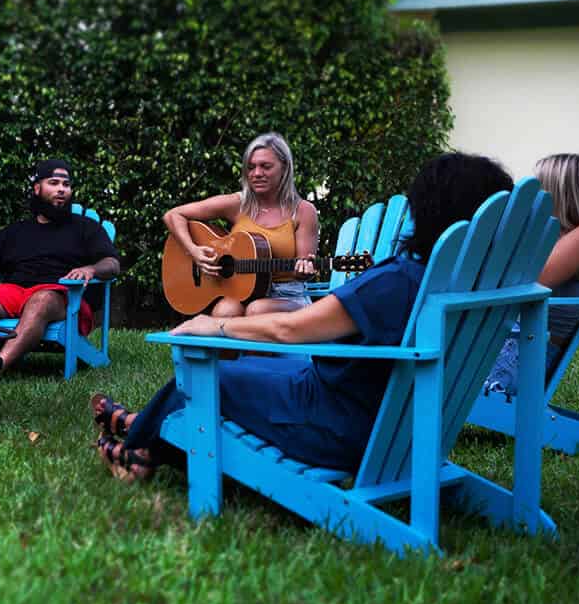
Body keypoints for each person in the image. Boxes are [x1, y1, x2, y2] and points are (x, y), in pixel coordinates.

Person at [88, 152, 514, 481]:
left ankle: (139, 453)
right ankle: (135, 423)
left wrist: (215, 325)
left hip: (334, 423)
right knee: (252, 371)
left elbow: (289, 328)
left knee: (206, 376)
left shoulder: (398, 281)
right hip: (397, 423)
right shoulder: (472, 282)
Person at [0, 159, 120, 378]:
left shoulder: (86, 228)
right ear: (37, 188)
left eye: (66, 185)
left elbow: (112, 264)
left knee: (41, 299)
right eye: (54, 183)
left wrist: (91, 270)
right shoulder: (17, 231)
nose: (61, 190)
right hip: (17, 291)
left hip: (62, 294)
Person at [483, 152, 579, 396]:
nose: (532, 198)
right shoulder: (560, 239)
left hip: (521, 359)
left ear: (558, 192)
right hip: (513, 346)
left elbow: (520, 285)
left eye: (539, 187)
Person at [161, 132, 320, 316]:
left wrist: (305, 269)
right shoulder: (238, 204)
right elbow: (174, 215)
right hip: (240, 291)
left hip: (288, 296)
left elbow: (302, 270)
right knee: (224, 312)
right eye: (251, 167)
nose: (257, 173)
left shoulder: (303, 211)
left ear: (284, 168)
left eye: (265, 167)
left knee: (257, 311)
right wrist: (194, 250)